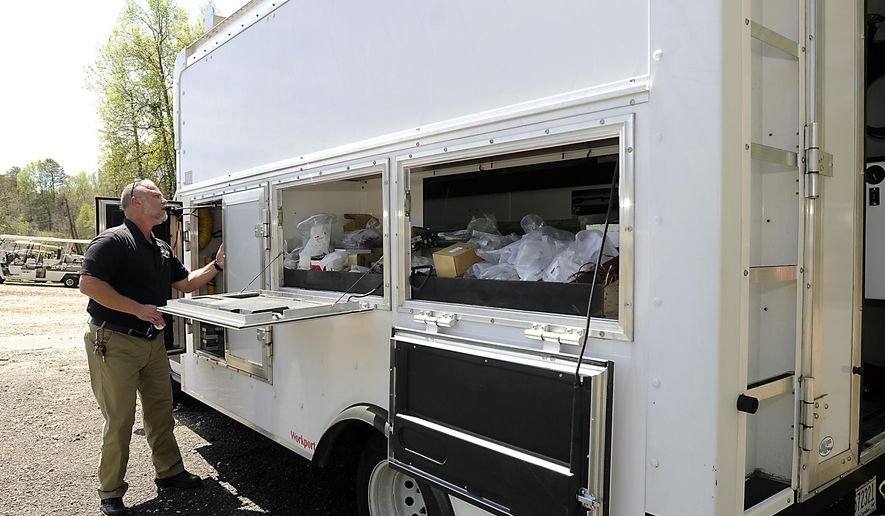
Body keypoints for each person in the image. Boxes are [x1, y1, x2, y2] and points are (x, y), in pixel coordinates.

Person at [79, 179, 224, 516]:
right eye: (156, 195)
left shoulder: (159, 247)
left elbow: (185, 283)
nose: (164, 200)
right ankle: (110, 492)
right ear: (136, 203)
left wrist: (216, 265)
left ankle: (169, 472)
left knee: (161, 410)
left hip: (151, 342)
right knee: (120, 419)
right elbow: (88, 284)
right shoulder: (113, 240)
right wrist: (137, 309)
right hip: (114, 341)